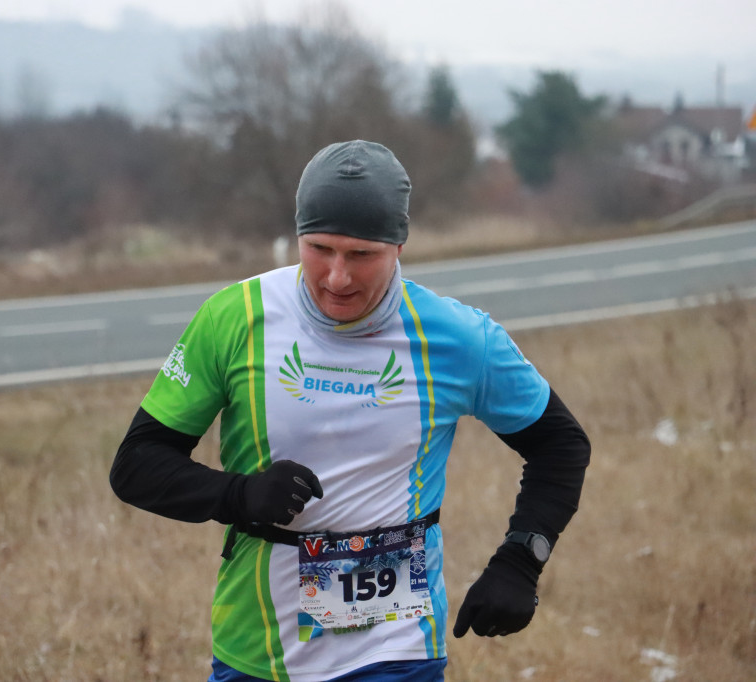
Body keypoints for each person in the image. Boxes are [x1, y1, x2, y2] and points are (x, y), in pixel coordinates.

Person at [110, 140, 590, 682]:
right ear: (297, 237)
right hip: (260, 647)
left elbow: (560, 445)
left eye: (362, 255)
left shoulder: (459, 338)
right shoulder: (235, 317)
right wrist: (237, 495)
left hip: (397, 648)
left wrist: (521, 560)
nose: (338, 277)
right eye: (320, 249)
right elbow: (136, 465)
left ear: (399, 247)